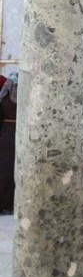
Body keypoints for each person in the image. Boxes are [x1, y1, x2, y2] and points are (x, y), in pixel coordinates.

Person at [0, 72, 18, 215]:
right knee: (12, 168)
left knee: (4, 168)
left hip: (5, 133)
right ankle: (9, 203)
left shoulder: (3, 96)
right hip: (17, 133)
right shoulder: (23, 98)